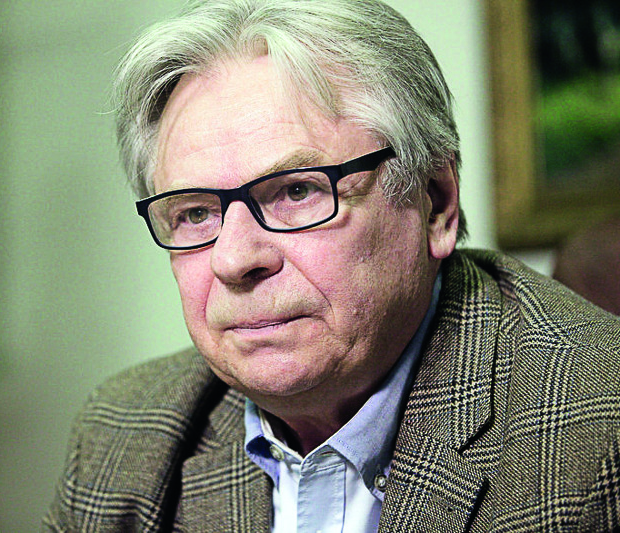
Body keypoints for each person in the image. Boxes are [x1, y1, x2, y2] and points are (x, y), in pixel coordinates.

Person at [44, 0, 620, 531]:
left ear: (436, 203)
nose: (235, 259)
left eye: (297, 192)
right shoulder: (122, 435)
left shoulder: (598, 432)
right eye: (195, 213)